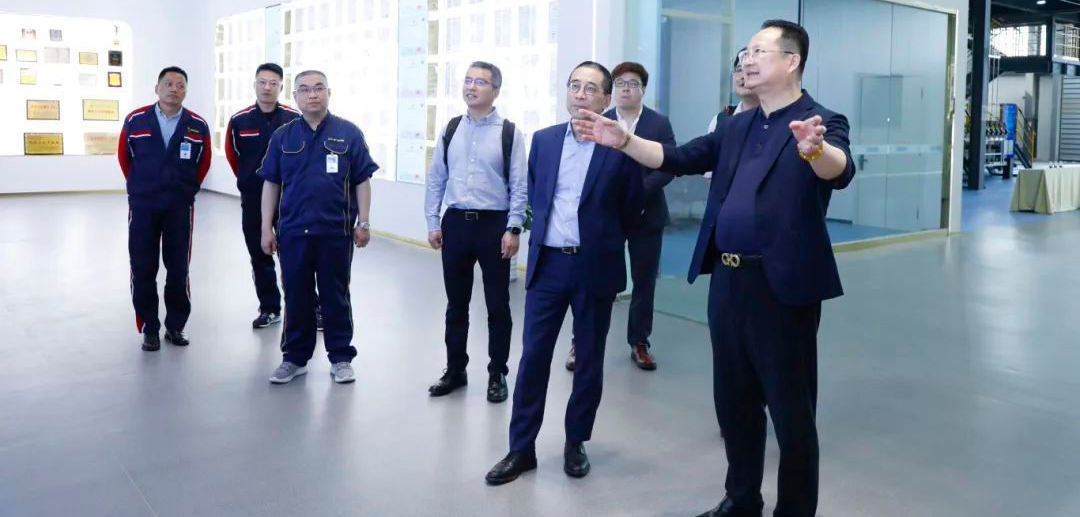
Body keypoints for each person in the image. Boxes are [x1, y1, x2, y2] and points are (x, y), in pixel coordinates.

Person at [572, 20, 855, 517]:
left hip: (782, 287)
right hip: (727, 280)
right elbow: (676, 158)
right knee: (735, 403)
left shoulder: (820, 121)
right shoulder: (734, 126)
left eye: (760, 51)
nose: (747, 60)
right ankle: (742, 500)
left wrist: (814, 149)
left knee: (791, 413)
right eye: (745, 52)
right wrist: (623, 141)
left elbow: (840, 168)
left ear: (791, 61)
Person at [484, 61, 644, 485]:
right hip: (549, 265)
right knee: (533, 357)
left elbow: (632, 209)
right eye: (574, 86)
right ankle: (521, 448)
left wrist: (602, 239)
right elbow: (538, 195)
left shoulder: (620, 145)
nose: (580, 94)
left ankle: (576, 441)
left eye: (590, 88)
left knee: (588, 359)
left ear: (606, 99)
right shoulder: (545, 140)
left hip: (595, 265)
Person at [257, 70, 378, 385]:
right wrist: (266, 228)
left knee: (335, 296)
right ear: (295, 96)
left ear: (328, 93)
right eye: (305, 89)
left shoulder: (348, 133)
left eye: (318, 88)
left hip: (335, 232)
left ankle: (340, 358)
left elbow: (362, 180)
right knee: (296, 296)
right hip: (293, 232)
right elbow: (271, 183)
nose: (312, 94)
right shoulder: (283, 137)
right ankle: (294, 359)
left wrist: (363, 222)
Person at [424, 61, 527, 403]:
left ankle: (497, 373)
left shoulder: (509, 133)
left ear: (495, 90)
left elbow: (519, 185)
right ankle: (455, 370)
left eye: (480, 82)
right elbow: (436, 178)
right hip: (455, 224)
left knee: (498, 305)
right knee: (456, 305)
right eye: (467, 80)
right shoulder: (451, 128)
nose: (471, 87)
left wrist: (513, 228)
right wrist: (433, 222)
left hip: (494, 226)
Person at [118, 66, 212, 352]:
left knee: (178, 267)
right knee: (143, 266)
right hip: (143, 205)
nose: (174, 89)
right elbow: (124, 158)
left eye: (180, 84)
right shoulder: (136, 120)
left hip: (179, 206)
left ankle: (175, 325)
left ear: (186, 90)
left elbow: (204, 162)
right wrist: (141, 186)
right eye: (168, 83)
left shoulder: (197, 125)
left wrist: (186, 189)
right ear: (156, 88)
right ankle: (149, 327)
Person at [224, 63, 301, 329]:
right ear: (254, 85)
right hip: (254, 199)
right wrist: (249, 181)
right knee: (260, 254)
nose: (267, 88)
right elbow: (233, 157)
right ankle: (269, 308)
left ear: (281, 87)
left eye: (273, 83)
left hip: (291, 200)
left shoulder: (294, 119)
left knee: (297, 256)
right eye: (262, 82)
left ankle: (307, 307)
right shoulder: (239, 120)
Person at [707, 48, 760, 135]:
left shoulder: (778, 120)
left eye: (750, 70)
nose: (743, 76)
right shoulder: (720, 121)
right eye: (739, 69)